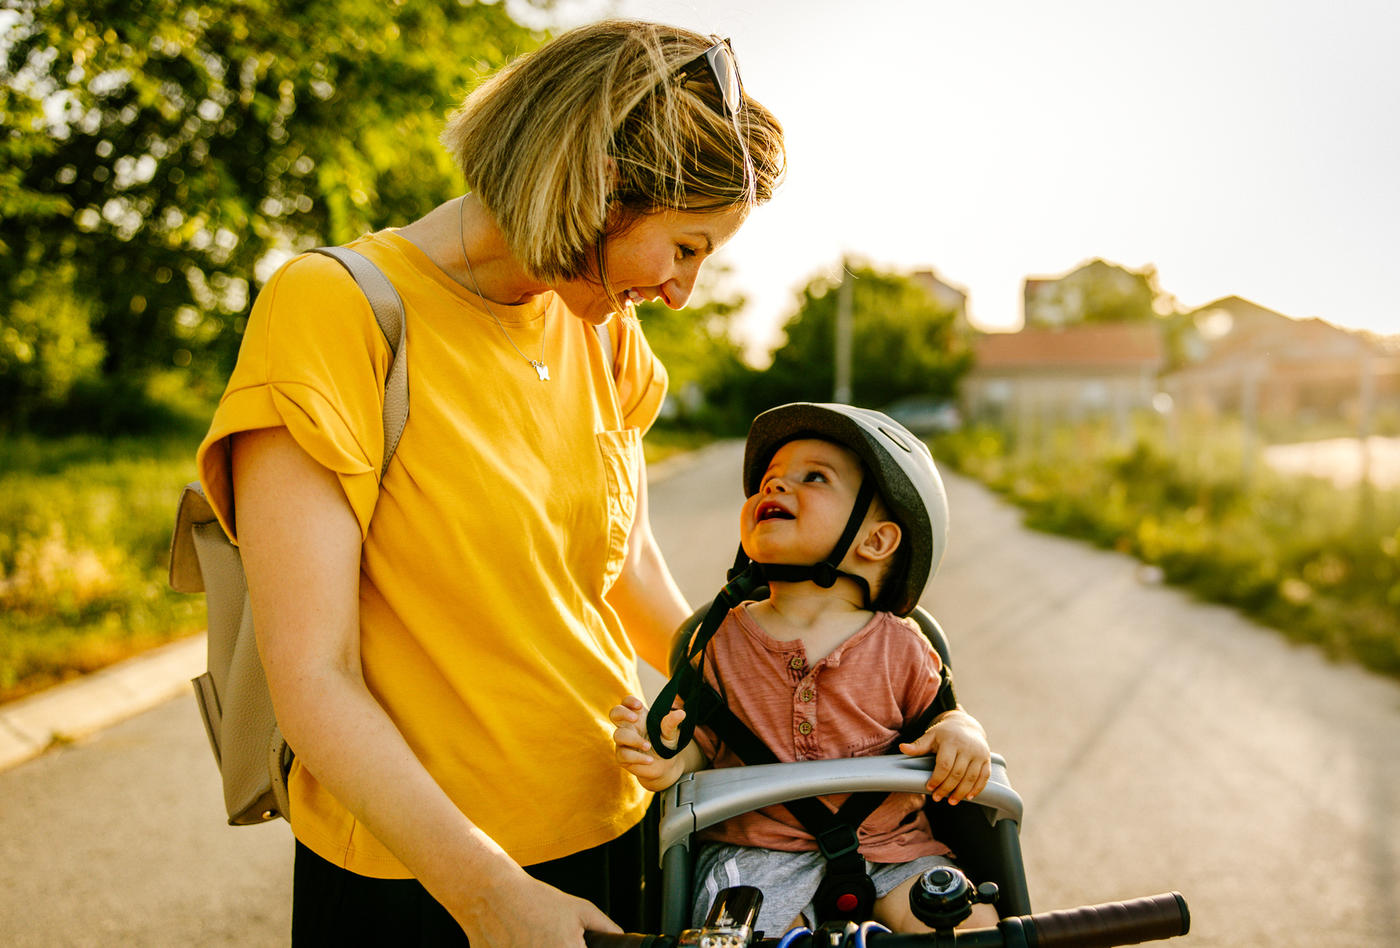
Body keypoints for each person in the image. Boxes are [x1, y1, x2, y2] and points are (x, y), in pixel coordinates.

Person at [192, 20, 783, 946]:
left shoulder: (601, 330)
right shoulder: (336, 310)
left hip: (617, 828)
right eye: (686, 247)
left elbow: (628, 581)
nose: (683, 291)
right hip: (422, 880)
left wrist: (817, 695)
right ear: (599, 187)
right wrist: (488, 895)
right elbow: (312, 677)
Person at [609, 404, 999, 935]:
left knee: (975, 926)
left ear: (877, 541)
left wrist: (961, 732)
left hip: (893, 850)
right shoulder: (720, 640)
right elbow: (702, 744)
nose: (774, 488)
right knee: (739, 934)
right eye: (769, 481)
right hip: (754, 854)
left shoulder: (903, 646)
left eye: (813, 477)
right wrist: (669, 757)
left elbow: (941, 720)